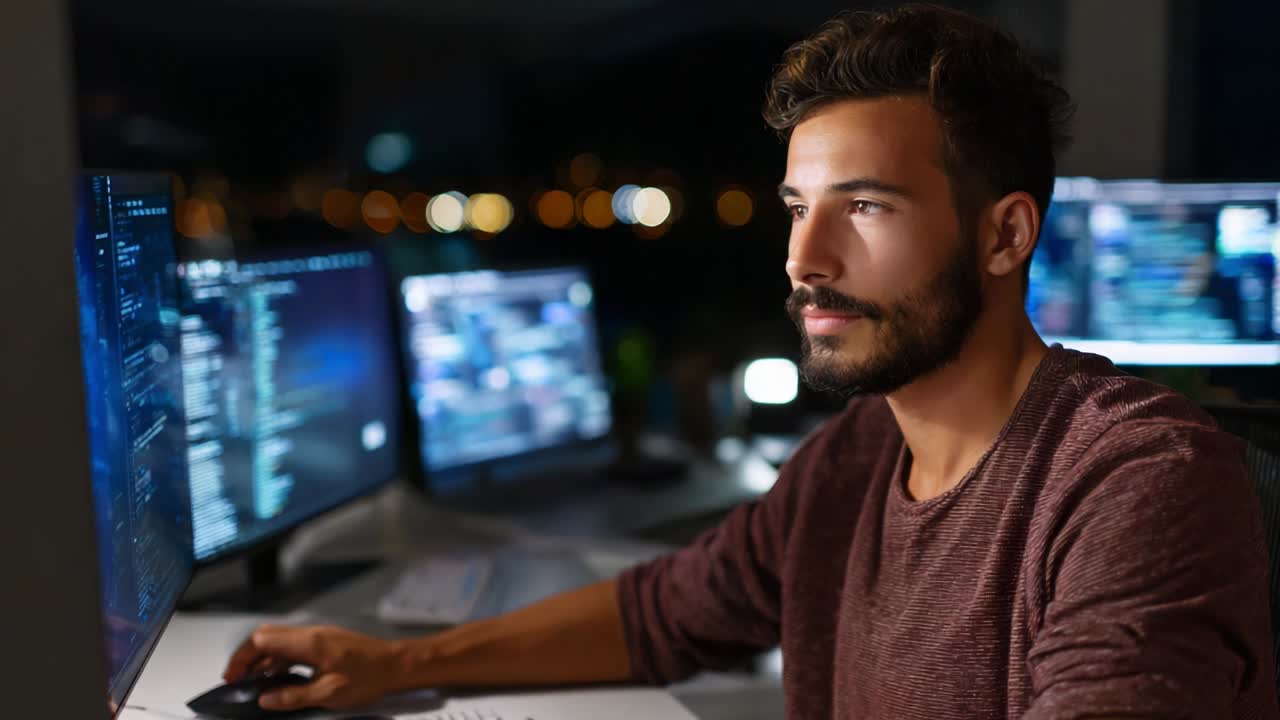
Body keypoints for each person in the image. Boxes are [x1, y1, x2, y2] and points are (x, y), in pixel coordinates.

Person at [224, 5, 1279, 717]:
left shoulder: (1138, 481)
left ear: (1004, 236)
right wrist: (400, 666)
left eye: (863, 207)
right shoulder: (854, 459)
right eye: (795, 207)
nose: (804, 260)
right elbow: (661, 615)